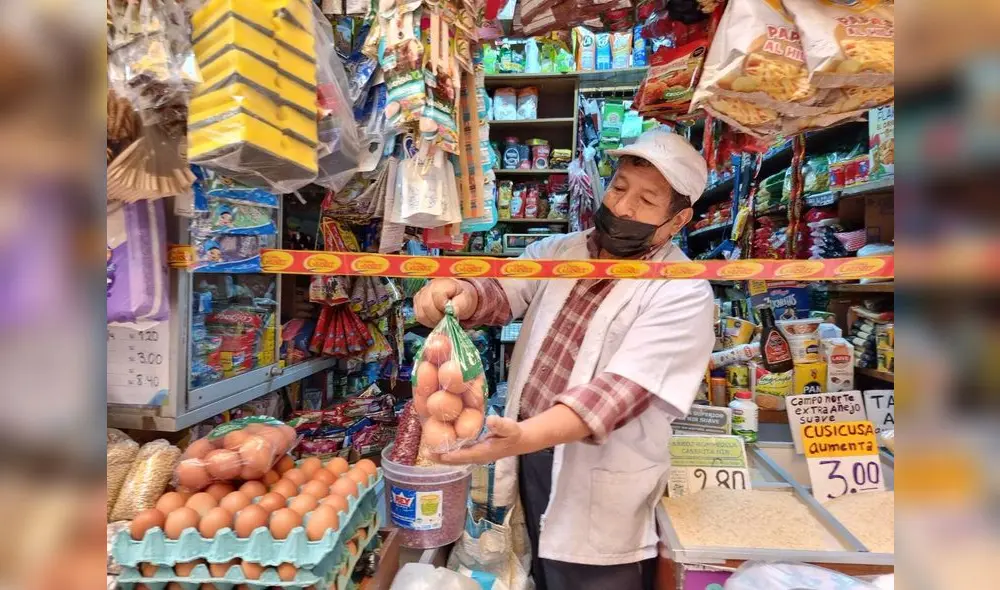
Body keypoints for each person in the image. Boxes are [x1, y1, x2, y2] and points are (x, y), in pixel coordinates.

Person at [412, 129, 716, 590]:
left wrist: (521, 437)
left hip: (597, 473)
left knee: (588, 578)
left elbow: (622, 391)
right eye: (619, 188)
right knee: (533, 563)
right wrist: (459, 295)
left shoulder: (683, 289)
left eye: (647, 201)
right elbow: (504, 291)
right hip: (527, 448)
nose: (622, 208)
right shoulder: (560, 252)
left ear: (678, 221)